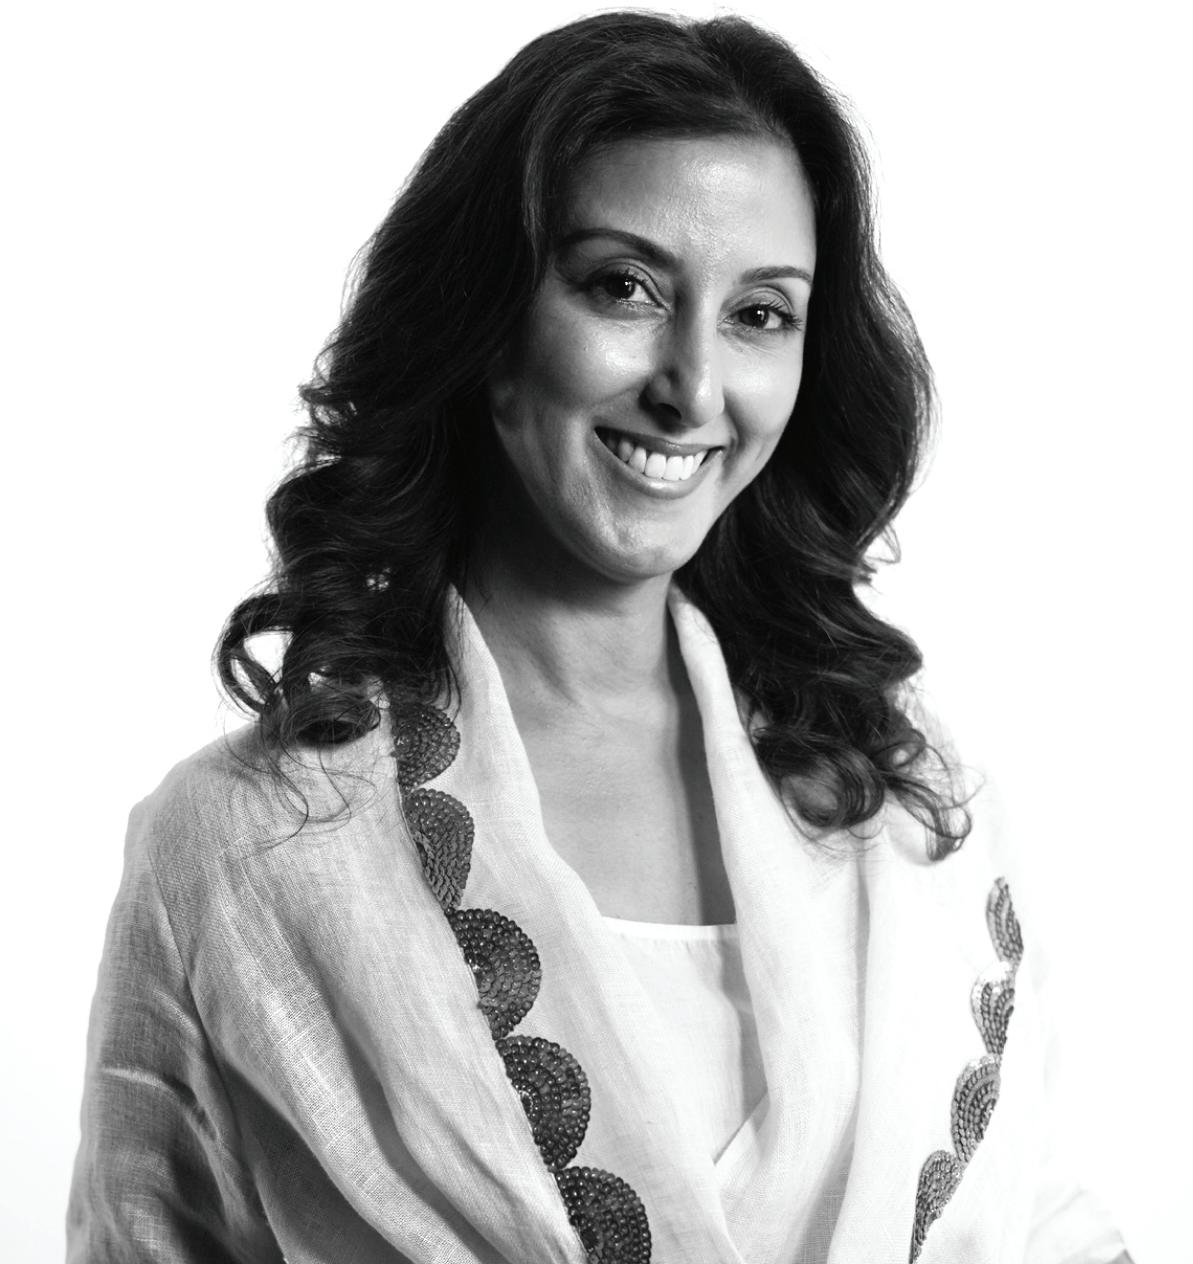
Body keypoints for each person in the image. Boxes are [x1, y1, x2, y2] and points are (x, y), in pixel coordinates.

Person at [67, 12, 1131, 1263]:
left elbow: (1041, 1222)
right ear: (483, 317)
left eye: (759, 314)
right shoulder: (248, 847)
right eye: (622, 286)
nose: (691, 386)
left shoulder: (912, 812)